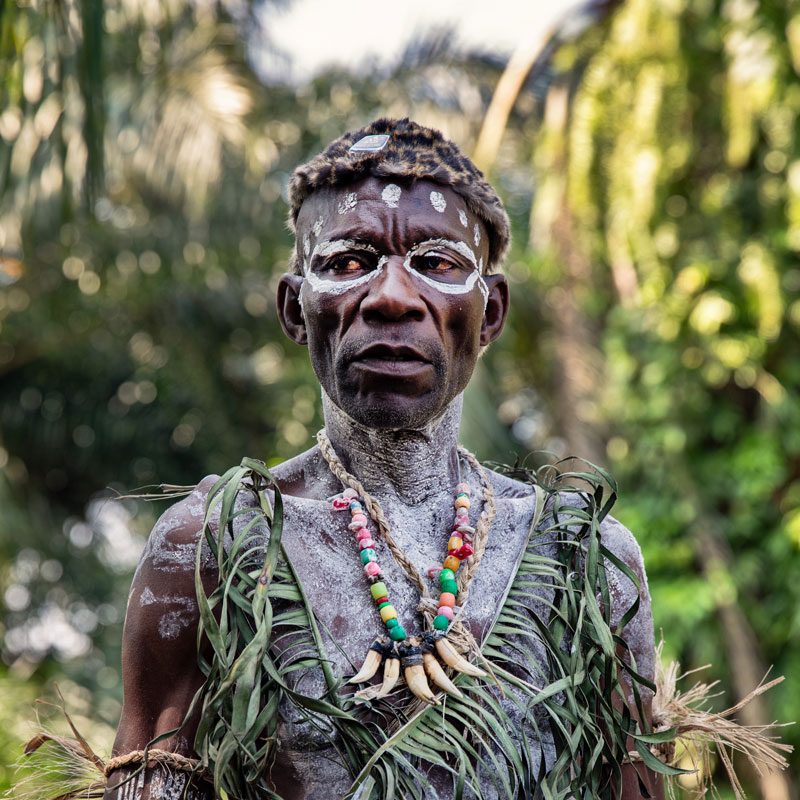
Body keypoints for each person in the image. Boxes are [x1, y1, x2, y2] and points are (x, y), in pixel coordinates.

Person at [101, 118, 663, 800]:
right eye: (346, 262)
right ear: (294, 309)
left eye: (438, 263)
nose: (393, 297)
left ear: (491, 314)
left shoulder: (585, 559)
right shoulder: (207, 547)